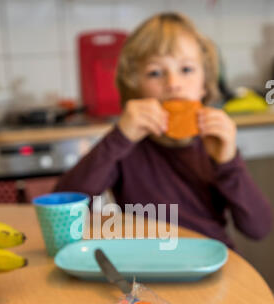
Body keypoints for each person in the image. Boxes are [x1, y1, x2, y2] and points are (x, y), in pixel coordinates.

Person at [54, 13, 272, 249]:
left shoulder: (214, 145)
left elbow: (258, 228)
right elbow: (62, 212)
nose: (173, 83)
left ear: (204, 84)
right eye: (155, 73)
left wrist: (228, 161)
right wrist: (118, 138)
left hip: (213, 263)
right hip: (147, 266)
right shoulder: (125, 146)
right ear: (135, 87)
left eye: (186, 69)